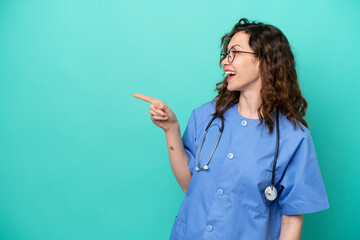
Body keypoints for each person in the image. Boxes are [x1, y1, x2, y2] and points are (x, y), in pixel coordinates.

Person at [133, 17, 330, 240]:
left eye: (235, 52)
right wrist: (171, 129)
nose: (225, 62)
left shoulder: (294, 138)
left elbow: (292, 220)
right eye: (226, 54)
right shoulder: (205, 116)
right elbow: (190, 185)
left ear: (264, 60)